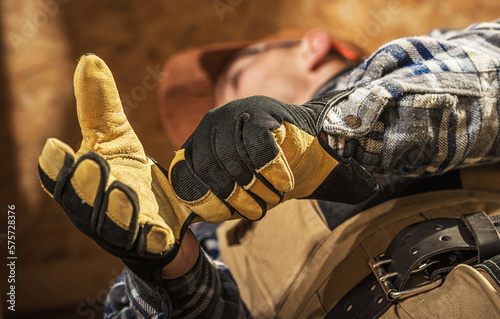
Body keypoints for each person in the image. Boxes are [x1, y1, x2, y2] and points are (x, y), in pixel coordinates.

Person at [37, 20, 500, 319]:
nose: (216, 114)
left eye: (235, 80)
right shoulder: (211, 238)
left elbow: (490, 72)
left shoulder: (430, 56)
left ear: (313, 48)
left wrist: (323, 131)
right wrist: (169, 269)